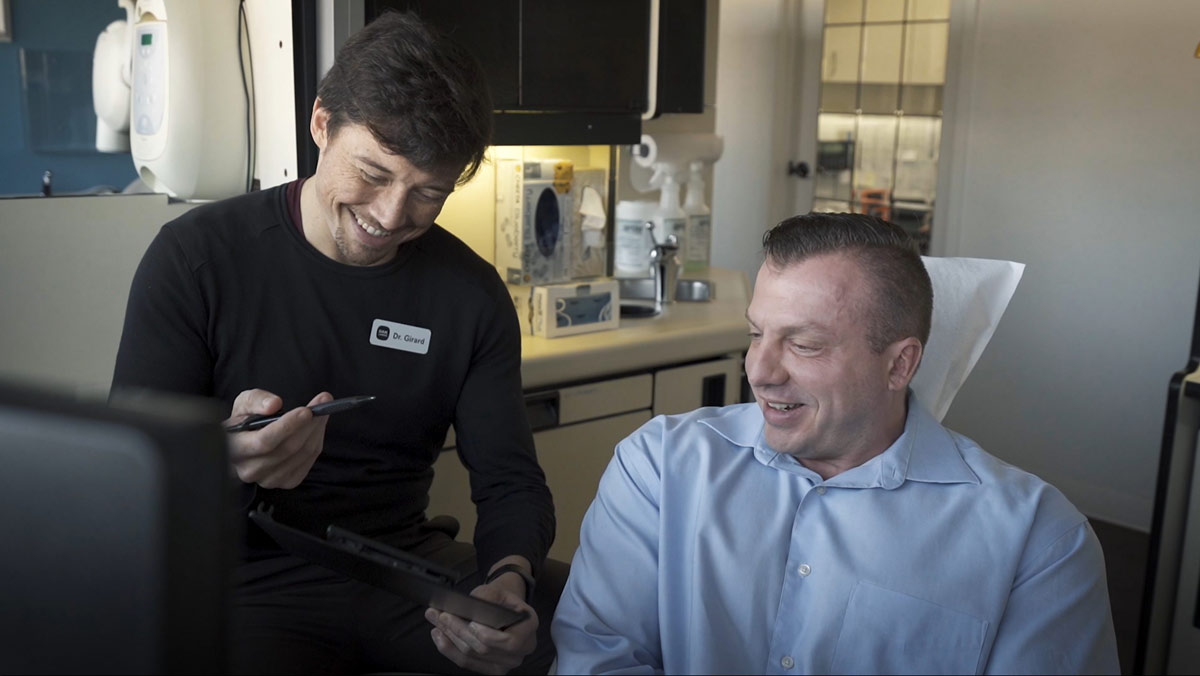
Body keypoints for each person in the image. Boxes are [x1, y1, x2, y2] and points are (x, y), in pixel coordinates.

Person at [111, 10, 563, 675]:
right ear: (321, 123)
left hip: (406, 572)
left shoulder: (470, 296)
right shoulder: (198, 258)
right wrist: (227, 454)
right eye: (374, 174)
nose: (390, 216)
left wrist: (508, 581)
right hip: (243, 577)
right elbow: (126, 468)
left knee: (583, 642)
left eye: (428, 193)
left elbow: (510, 480)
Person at [551, 212, 1120, 674]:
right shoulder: (661, 465)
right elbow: (595, 658)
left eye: (804, 345)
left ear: (900, 364)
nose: (760, 371)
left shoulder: (1039, 542)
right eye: (755, 334)